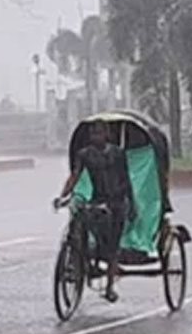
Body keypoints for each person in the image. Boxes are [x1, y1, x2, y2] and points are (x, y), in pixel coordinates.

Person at [54, 121, 136, 302]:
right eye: (92, 134)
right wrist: (62, 197)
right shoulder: (85, 155)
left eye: (99, 133)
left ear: (106, 134)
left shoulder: (117, 154)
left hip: (116, 202)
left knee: (112, 246)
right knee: (82, 220)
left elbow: (126, 179)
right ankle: (80, 259)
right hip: (97, 200)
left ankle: (109, 287)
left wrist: (132, 204)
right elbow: (74, 176)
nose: (95, 137)